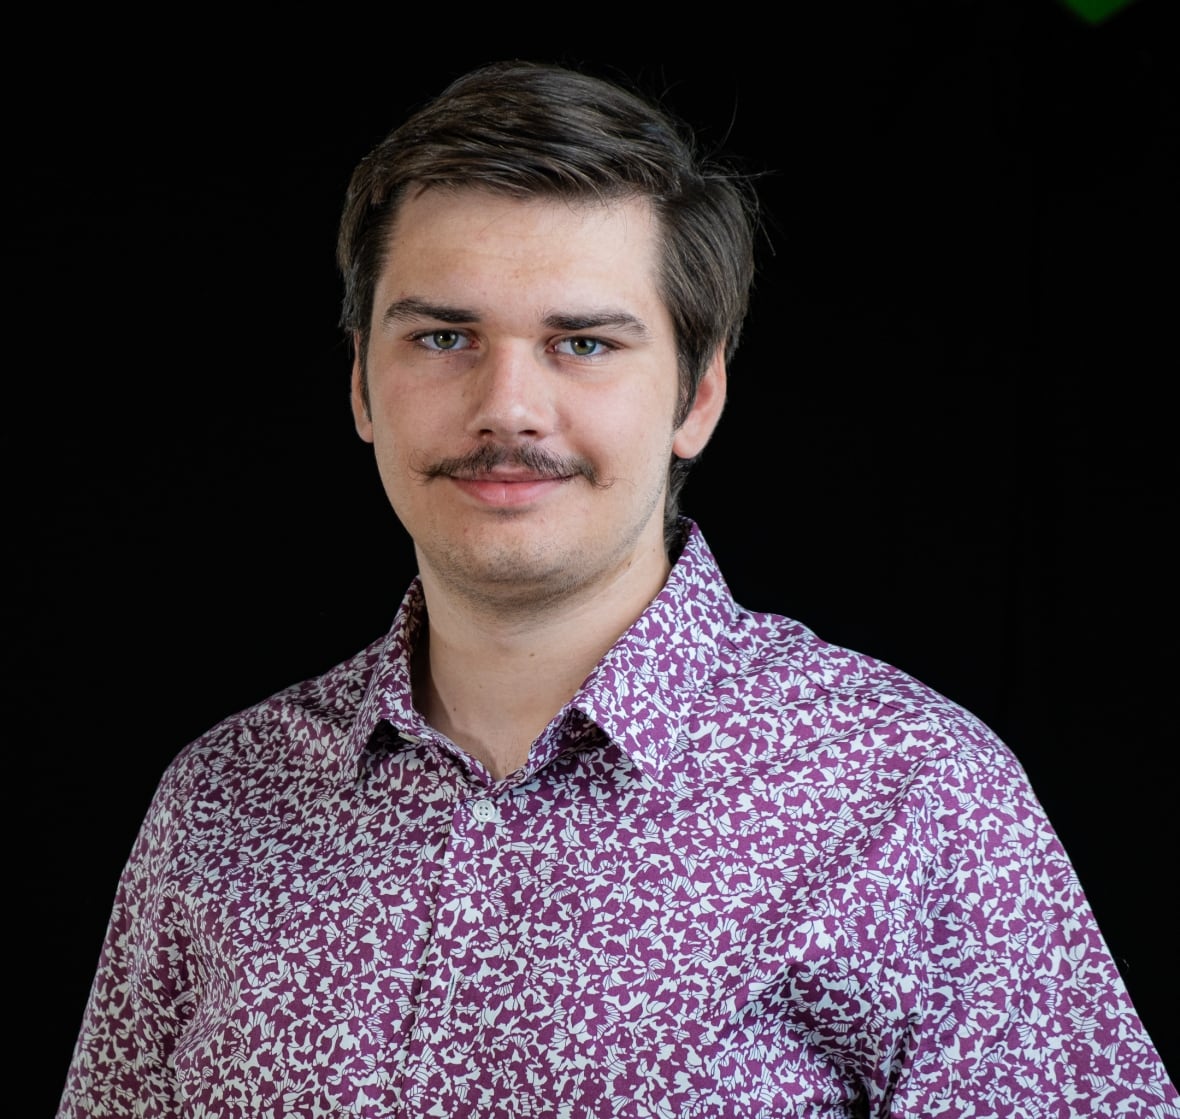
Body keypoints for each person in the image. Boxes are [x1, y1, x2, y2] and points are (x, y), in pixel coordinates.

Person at [57, 60, 1177, 1118]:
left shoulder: (909, 798)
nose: (508, 407)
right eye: (443, 336)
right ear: (360, 385)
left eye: (583, 344)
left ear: (697, 394)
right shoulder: (218, 806)